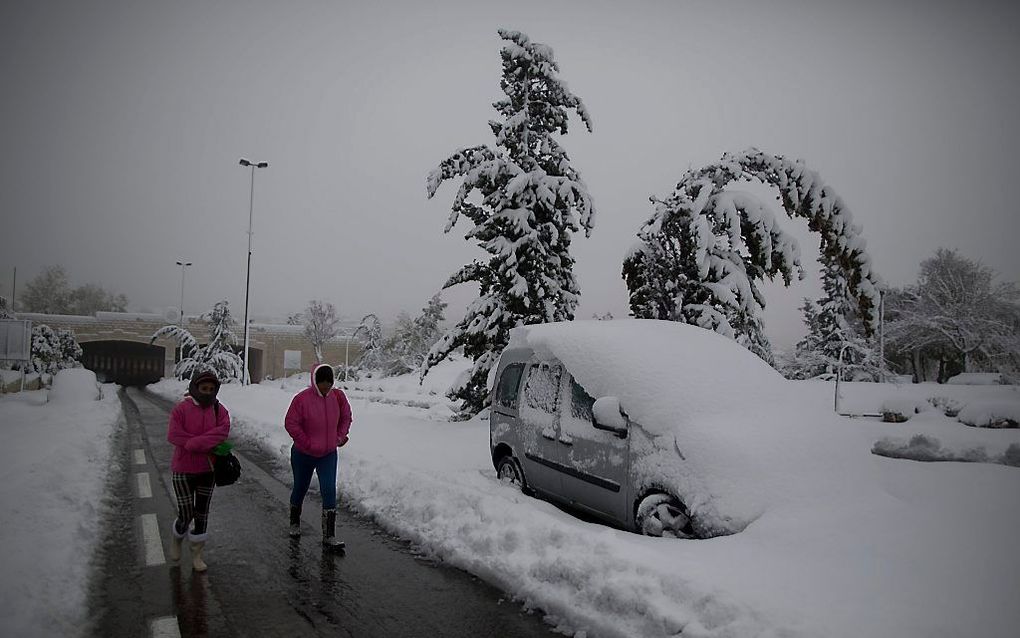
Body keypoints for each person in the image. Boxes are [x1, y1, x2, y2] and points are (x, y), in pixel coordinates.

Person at [166, 369, 230, 572]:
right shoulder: (180, 410)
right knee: (186, 513)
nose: (207, 392)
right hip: (182, 470)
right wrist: (201, 442)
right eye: (203, 388)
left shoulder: (220, 411)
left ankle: (197, 553)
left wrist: (194, 443)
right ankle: (177, 537)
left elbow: (222, 432)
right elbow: (174, 435)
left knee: (202, 513)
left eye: (211, 389)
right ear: (195, 388)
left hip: (207, 469)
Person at [284, 363, 352, 550]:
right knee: (300, 487)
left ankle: (329, 536)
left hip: (328, 454)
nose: (326, 387)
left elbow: (346, 417)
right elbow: (291, 423)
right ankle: (294, 522)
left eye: (329, 383)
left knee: (329, 489)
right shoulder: (302, 399)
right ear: (315, 381)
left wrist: (339, 436)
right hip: (303, 454)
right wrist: (306, 443)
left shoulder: (338, 397)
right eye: (322, 383)